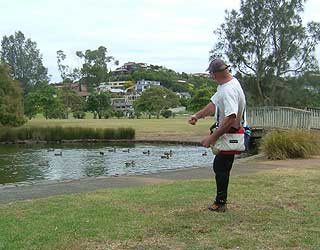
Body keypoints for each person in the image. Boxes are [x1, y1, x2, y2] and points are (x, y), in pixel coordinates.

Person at [188, 58, 246, 212]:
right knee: (220, 166)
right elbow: (213, 104)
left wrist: (211, 138)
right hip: (227, 133)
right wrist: (197, 115)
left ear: (214, 74)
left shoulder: (228, 90)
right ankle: (220, 201)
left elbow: (231, 117)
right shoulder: (228, 85)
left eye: (211, 74)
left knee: (221, 167)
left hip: (230, 134)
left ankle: (220, 203)